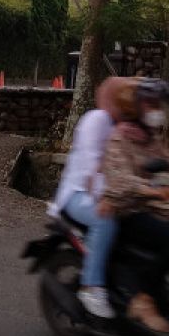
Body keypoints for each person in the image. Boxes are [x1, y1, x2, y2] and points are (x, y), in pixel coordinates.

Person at [99, 78, 169, 333]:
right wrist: (153, 191)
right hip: (128, 212)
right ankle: (143, 298)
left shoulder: (151, 138)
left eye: (158, 104)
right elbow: (120, 182)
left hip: (153, 209)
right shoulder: (120, 138)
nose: (156, 110)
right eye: (151, 104)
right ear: (136, 106)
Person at [49, 76, 138, 319]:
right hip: (77, 195)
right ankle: (91, 286)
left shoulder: (122, 126)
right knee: (105, 219)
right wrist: (107, 197)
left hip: (108, 194)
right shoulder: (97, 120)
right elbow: (92, 167)